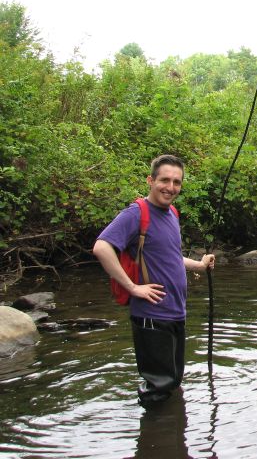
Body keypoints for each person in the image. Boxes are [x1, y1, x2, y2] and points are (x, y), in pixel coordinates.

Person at [93, 154, 215, 406]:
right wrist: (132, 287)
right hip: (151, 315)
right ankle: (155, 440)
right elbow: (102, 247)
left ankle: (172, 438)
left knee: (172, 381)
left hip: (175, 312)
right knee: (157, 389)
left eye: (177, 182)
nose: (170, 188)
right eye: (165, 180)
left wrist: (200, 265)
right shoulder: (136, 213)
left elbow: (170, 256)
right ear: (151, 180)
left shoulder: (172, 213)